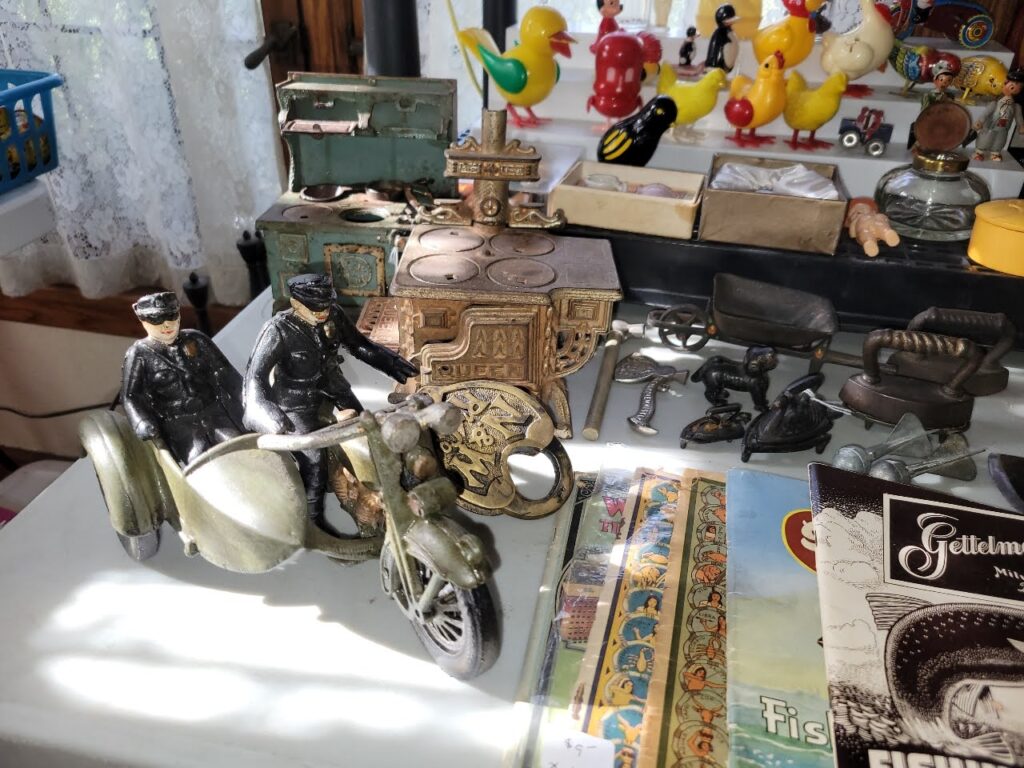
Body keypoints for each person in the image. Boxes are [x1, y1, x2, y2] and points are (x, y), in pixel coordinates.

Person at [242, 274, 418, 528]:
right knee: (313, 460)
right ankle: (312, 521)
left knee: (369, 433)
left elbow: (359, 345)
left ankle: (387, 489)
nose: (323, 313)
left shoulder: (333, 314)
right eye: (316, 309)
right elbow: (254, 377)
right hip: (296, 400)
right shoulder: (277, 329)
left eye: (326, 306)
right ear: (296, 303)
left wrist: (391, 363)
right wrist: (263, 410)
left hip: (333, 387)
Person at [121, 291, 244, 465]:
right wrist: (142, 422)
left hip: (215, 414)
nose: (166, 324)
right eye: (156, 319)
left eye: (171, 316)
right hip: (180, 425)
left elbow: (225, 372)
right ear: (144, 321)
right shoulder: (139, 354)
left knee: (241, 447)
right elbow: (130, 396)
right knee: (198, 461)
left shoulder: (196, 339)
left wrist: (246, 397)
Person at [973, 68, 1024, 162]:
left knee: (1000, 140)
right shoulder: (995, 103)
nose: (1013, 88)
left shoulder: (1016, 106)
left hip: (1004, 128)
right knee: (986, 138)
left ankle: (995, 152)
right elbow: (986, 113)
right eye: (1011, 85)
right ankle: (979, 151)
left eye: (1018, 87)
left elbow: (1019, 117)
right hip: (991, 125)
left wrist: (1021, 126)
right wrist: (980, 121)